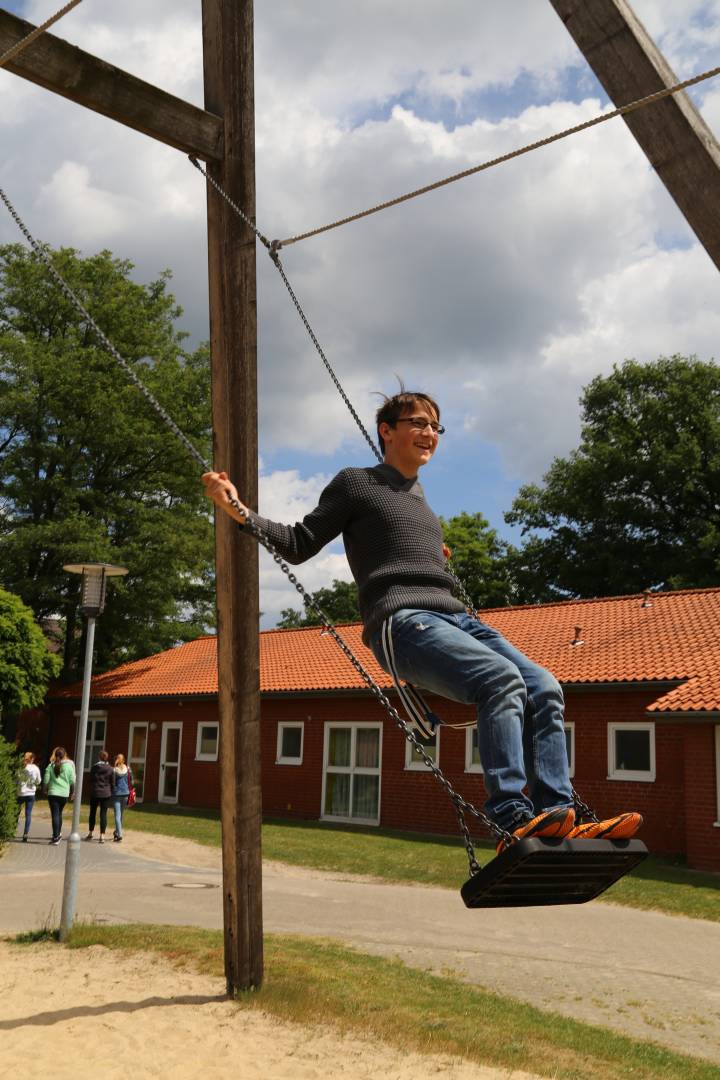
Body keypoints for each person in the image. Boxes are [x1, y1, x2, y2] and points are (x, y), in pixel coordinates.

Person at [202, 388, 642, 850]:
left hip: (455, 618)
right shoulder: (355, 482)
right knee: (501, 680)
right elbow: (300, 541)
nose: (429, 433)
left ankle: (556, 814)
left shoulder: (421, 499)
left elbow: (398, 543)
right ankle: (513, 817)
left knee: (544, 687)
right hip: (402, 620)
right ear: (386, 431)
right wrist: (237, 508)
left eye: (435, 426)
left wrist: (434, 554)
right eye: (418, 422)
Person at [43, 747, 75, 845]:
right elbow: (72, 782)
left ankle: (56, 837)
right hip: (64, 794)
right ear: (64, 755)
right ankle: (58, 834)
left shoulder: (50, 766)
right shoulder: (69, 766)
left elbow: (46, 780)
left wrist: (44, 790)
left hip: (53, 793)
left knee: (55, 815)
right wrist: (72, 793)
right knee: (59, 814)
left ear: (55, 755)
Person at [85, 750, 114, 843]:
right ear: (107, 758)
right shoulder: (110, 768)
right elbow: (112, 782)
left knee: (92, 813)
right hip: (106, 793)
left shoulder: (94, 767)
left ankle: (90, 833)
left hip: (95, 792)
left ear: (99, 757)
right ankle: (102, 835)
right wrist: (111, 791)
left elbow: (90, 779)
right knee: (103, 814)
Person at [16, 751, 42, 842]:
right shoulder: (36, 768)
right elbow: (38, 781)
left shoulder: (20, 767)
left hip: (20, 793)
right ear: (32, 759)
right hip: (30, 794)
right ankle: (25, 834)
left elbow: (16, 780)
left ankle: (12, 830)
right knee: (28, 814)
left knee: (16, 813)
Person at [111, 753, 133, 842]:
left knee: (117, 815)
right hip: (126, 794)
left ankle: (119, 834)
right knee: (121, 815)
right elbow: (132, 780)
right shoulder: (128, 769)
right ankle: (117, 832)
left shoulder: (114, 770)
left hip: (117, 794)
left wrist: (114, 766)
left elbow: (112, 782)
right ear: (123, 760)